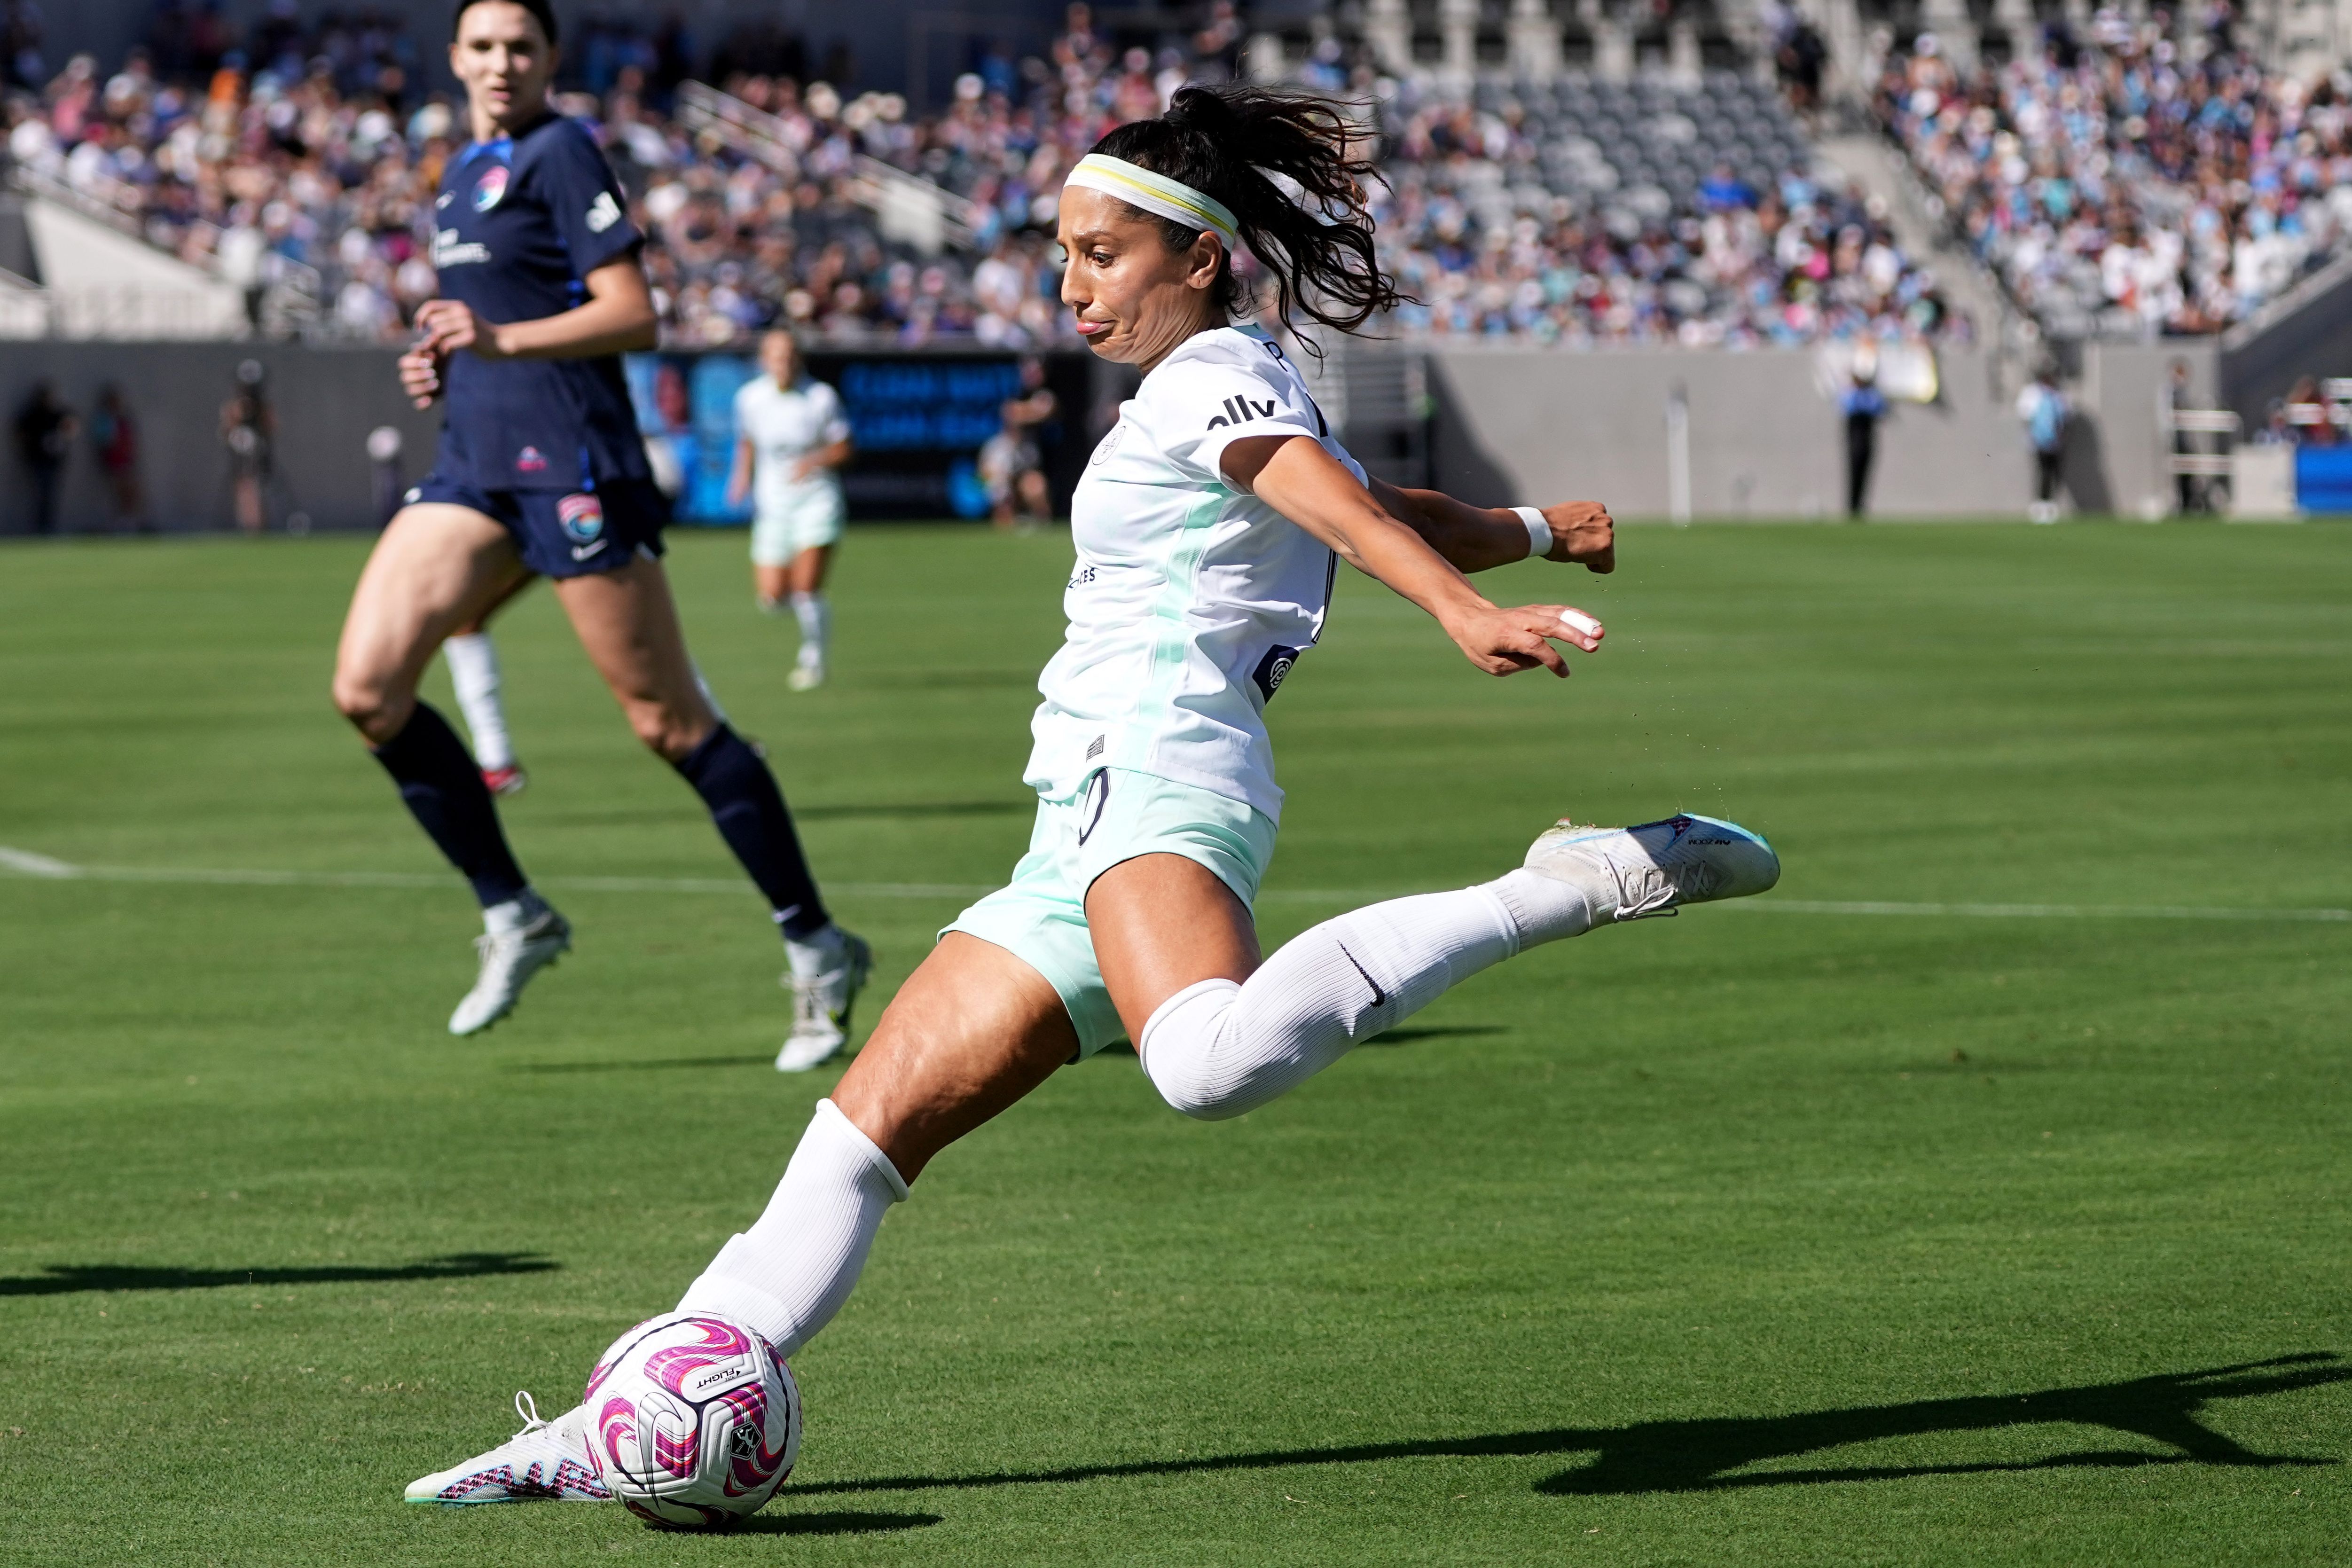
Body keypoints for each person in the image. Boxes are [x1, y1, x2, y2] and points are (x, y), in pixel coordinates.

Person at [403, 84, 1780, 1505]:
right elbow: (1369, 501)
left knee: (1210, 1060)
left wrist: (1447, 606)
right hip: (1079, 816)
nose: (1074, 282)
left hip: (1168, 765)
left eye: (1103, 253)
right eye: (1061, 253)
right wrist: (1538, 529)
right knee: (862, 1136)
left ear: (1197, 259)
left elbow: (1320, 492)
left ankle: (1565, 883)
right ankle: (616, 1420)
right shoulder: (1226, 386)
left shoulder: (1215, 383)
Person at [331, 0, 867, 1069]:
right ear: (453, 59)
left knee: (667, 725)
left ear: (548, 60)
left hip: (571, 464)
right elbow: (485, 316)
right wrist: (447, 357)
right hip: (473, 467)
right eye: (481, 46)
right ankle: (512, 911)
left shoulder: (562, 149)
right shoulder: (461, 168)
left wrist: (499, 336)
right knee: (367, 689)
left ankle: (816, 943)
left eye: (519, 46)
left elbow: (633, 311)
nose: (499, 62)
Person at [726, 330, 851, 691]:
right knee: (771, 597)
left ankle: (814, 658)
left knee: (806, 587)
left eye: (791, 355)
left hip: (816, 501)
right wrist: (739, 480)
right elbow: (747, 441)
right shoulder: (750, 398)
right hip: (773, 506)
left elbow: (844, 448)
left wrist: (815, 460)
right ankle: (807, 629)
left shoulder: (820, 398)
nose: (784, 363)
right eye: (777, 356)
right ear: (764, 359)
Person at [980, 356, 1057, 529]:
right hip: (1009, 467)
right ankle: (1006, 519)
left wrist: (1022, 411)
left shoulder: (1045, 394)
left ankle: (1040, 523)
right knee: (996, 477)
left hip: (1030, 465)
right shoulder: (1016, 390)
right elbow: (1009, 411)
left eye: (1036, 372)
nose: (1032, 376)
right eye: (1028, 372)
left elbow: (1043, 409)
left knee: (1036, 487)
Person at [14, 380, 76, 535]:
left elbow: (72, 426)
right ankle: (41, 526)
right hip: (37, 460)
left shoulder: (57, 413)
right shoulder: (32, 414)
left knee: (50, 494)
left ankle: (48, 525)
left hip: (54, 461)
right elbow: (20, 433)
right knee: (43, 493)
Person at [221, 360, 273, 534]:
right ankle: (248, 524)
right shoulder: (235, 407)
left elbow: (272, 427)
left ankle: (260, 524)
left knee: (258, 488)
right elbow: (227, 429)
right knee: (244, 487)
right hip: (240, 458)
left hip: (260, 457)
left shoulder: (263, 408)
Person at [91, 384, 147, 533]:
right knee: (119, 493)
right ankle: (121, 524)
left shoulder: (125, 418)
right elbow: (102, 441)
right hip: (113, 462)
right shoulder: (104, 419)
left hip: (126, 461)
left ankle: (131, 521)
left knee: (132, 493)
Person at [2017, 367, 2069, 523]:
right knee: (2044, 472)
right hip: (2040, 441)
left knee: (2054, 472)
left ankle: (2050, 503)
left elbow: (2064, 419)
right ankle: (2041, 503)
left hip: (2055, 442)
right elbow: (2027, 418)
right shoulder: (2034, 394)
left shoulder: (2058, 395)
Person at [1839, 361, 1887, 519]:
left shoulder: (1872, 395)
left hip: (1867, 435)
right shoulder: (1851, 394)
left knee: (1866, 470)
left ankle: (1861, 505)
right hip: (1854, 434)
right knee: (1853, 469)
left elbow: (1879, 409)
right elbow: (1848, 407)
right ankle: (1852, 506)